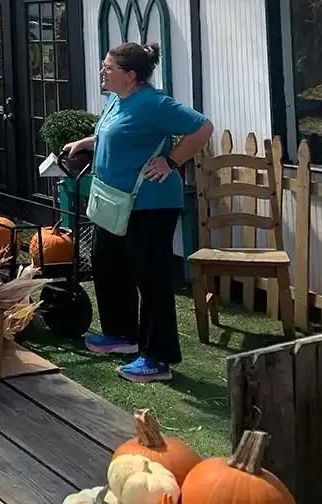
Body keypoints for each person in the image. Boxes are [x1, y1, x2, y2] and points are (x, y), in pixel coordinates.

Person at [64, 42, 213, 383]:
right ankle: (121, 335)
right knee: (108, 264)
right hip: (113, 202)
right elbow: (117, 132)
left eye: (108, 67)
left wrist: (171, 160)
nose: (102, 72)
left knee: (151, 279)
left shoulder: (154, 103)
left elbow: (203, 128)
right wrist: (87, 143)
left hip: (150, 206)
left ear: (130, 76)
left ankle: (157, 359)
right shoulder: (118, 98)